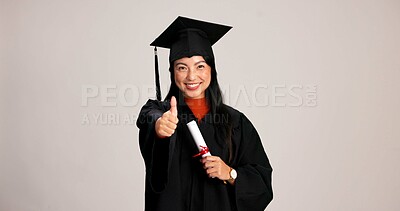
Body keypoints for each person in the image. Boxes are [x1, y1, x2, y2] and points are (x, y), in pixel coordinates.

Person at [137, 16, 273, 211]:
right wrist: (160, 127)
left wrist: (230, 173)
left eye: (200, 66)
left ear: (212, 70)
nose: (192, 76)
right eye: (182, 68)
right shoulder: (160, 112)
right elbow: (149, 118)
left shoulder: (236, 122)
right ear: (172, 72)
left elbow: (262, 184)